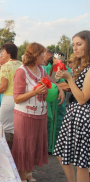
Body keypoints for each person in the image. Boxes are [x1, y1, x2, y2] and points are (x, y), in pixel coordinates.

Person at [12, 43, 64, 182]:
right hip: (25, 116)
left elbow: (51, 81)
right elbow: (17, 98)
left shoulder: (41, 69)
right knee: (24, 147)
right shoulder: (21, 71)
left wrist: (59, 88)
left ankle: (28, 173)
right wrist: (34, 92)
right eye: (43, 53)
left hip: (41, 114)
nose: (46, 56)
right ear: (36, 55)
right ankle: (22, 177)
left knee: (34, 145)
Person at [54, 30, 90, 182]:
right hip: (74, 114)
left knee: (81, 163)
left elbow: (82, 99)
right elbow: (76, 90)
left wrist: (69, 78)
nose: (75, 48)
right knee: (62, 153)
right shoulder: (82, 66)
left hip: (83, 116)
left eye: (79, 44)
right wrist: (61, 83)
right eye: (73, 44)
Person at [0, 43, 22, 149]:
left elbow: (3, 87)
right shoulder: (21, 64)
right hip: (20, 100)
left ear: (9, 53)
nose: (1, 54)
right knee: (16, 127)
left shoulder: (6, 66)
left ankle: (0, 151)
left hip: (9, 99)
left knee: (0, 127)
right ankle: (15, 150)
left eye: (3, 51)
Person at [44, 51, 70, 153]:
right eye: (57, 59)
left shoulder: (66, 69)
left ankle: (56, 146)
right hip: (50, 99)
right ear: (53, 59)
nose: (58, 61)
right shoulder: (46, 69)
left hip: (60, 99)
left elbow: (68, 84)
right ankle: (47, 146)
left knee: (59, 120)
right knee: (48, 121)